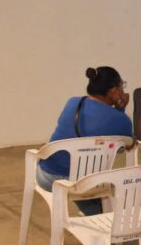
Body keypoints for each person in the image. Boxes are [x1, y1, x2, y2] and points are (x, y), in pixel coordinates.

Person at [36, 66, 134, 215]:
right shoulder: (121, 120)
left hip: (48, 177)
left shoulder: (72, 103)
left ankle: (95, 213)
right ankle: (100, 215)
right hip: (84, 183)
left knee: (82, 181)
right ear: (113, 91)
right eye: (121, 86)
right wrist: (120, 110)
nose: (122, 91)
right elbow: (124, 147)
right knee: (92, 183)